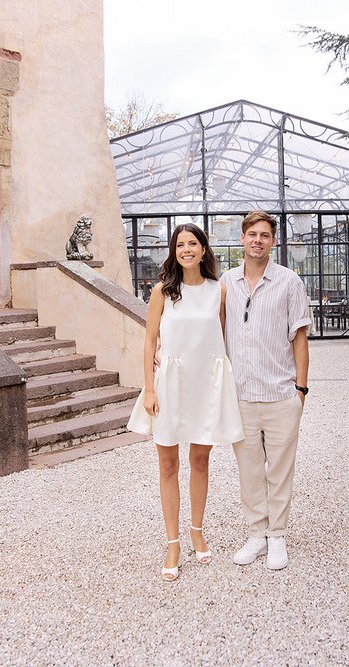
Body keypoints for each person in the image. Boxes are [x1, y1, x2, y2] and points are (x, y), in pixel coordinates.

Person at [126, 223, 244, 582]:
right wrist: (149, 389)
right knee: (168, 464)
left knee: (201, 460)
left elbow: (223, 337)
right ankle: (173, 543)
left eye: (193, 243)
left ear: (204, 249)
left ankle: (196, 530)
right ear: (174, 251)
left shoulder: (218, 291)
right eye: (180, 245)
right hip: (170, 384)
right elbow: (149, 342)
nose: (187, 250)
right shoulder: (162, 291)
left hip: (205, 384)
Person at [221, 211, 311, 570]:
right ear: (242, 238)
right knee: (249, 471)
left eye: (265, 235)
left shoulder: (289, 282)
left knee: (280, 471)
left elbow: (300, 338)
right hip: (240, 396)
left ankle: (277, 536)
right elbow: (211, 330)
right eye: (252, 234)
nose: (257, 240)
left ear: (273, 241)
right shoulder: (226, 283)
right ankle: (256, 534)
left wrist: (300, 390)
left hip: (280, 394)